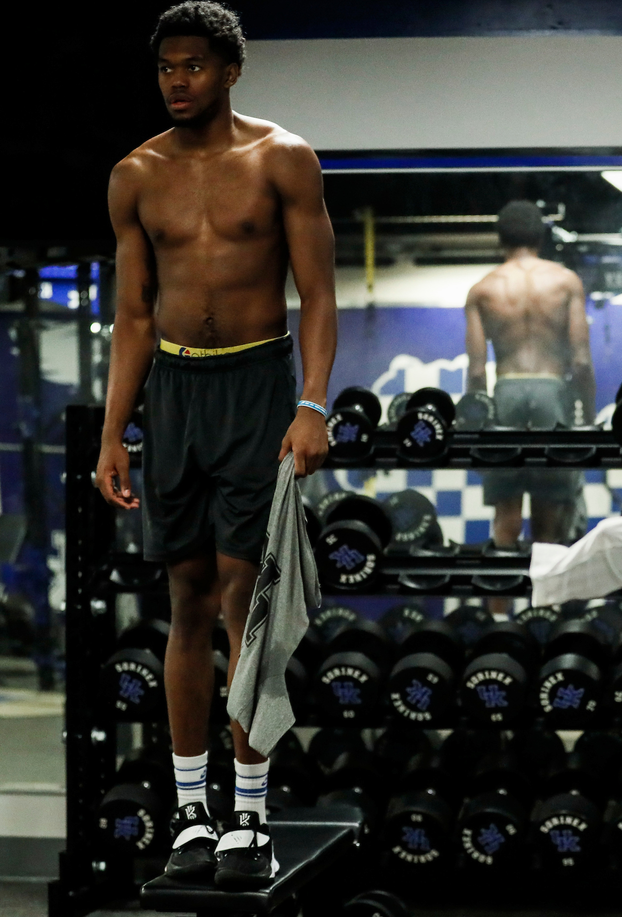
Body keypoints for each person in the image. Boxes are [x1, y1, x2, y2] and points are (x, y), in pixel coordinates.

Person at [94, 1, 337, 888]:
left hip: (256, 385)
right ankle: (192, 810)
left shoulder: (282, 159)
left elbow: (318, 294)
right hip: (174, 390)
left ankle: (250, 814)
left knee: (247, 603)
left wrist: (313, 404)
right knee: (185, 598)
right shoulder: (134, 175)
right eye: (167, 68)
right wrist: (115, 429)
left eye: (195, 66)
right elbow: (130, 316)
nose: (178, 81)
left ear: (232, 70)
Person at [464, 201, 594, 546]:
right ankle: (544, 602)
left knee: (505, 518)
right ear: (541, 236)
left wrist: (474, 423)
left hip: (506, 393)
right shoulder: (566, 282)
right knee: (549, 520)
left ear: (500, 239)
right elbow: (581, 360)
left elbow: (477, 371)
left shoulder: (482, 290)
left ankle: (497, 600)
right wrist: (588, 417)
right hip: (552, 392)